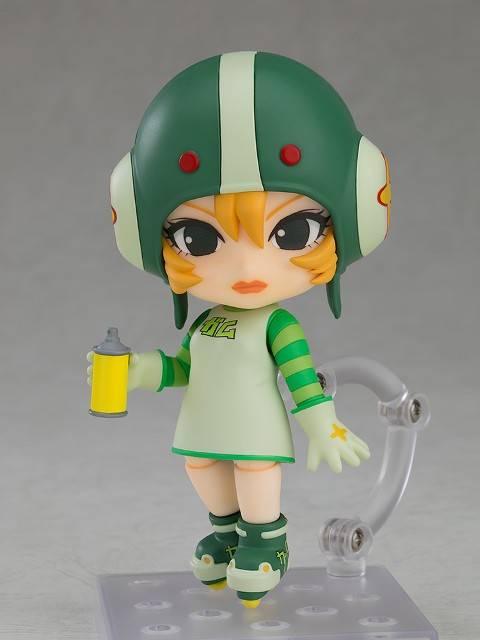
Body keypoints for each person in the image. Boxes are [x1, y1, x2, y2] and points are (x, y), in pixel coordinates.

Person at [87, 51, 391, 608]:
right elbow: (184, 367)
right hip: (202, 423)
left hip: (255, 429)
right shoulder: (207, 323)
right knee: (200, 465)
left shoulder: (277, 323)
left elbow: (299, 376)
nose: (248, 268)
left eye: (292, 232)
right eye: (198, 239)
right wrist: (138, 371)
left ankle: (266, 539)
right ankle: (226, 530)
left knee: (254, 471)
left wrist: (320, 422)